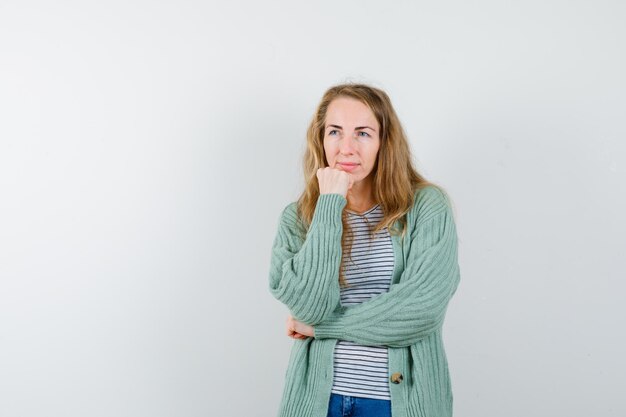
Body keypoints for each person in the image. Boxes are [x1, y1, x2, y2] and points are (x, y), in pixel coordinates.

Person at [268, 83, 461, 417]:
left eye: (363, 133)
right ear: (320, 139)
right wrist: (330, 203)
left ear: (384, 141)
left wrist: (323, 330)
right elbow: (309, 307)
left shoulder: (427, 208)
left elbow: (419, 311)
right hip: (318, 402)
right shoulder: (299, 218)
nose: (346, 147)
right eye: (335, 132)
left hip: (396, 404)